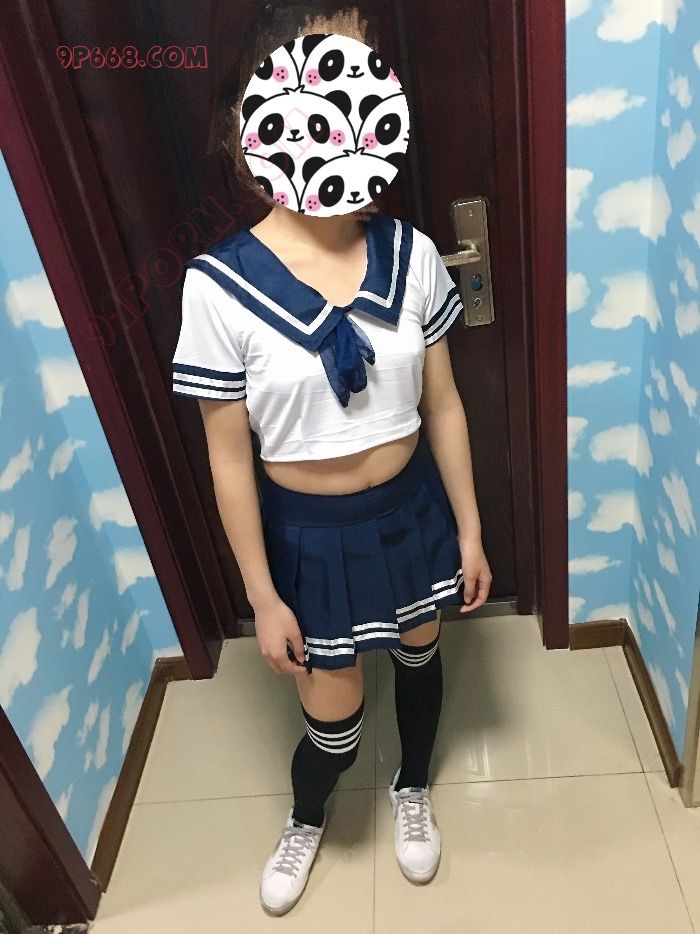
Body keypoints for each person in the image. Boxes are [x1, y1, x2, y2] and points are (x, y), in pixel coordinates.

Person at [172, 0, 491, 917]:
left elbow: (444, 404)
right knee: (335, 719)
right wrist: (263, 597)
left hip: (412, 513)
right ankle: (307, 814)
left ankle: (414, 786)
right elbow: (230, 462)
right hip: (309, 536)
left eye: (365, 75)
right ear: (262, 110)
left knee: (422, 660)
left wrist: (471, 531)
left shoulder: (412, 254)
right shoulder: (218, 287)